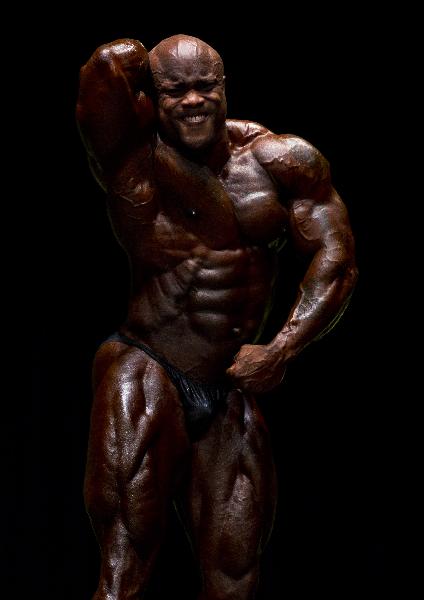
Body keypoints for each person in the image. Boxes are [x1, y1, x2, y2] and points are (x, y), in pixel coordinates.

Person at [76, 34, 358, 600]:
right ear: (151, 99)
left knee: (235, 575)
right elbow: (104, 72)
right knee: (124, 564)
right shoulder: (134, 159)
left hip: (228, 387)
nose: (193, 100)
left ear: (225, 88)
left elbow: (337, 260)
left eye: (205, 85)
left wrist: (281, 348)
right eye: (174, 90)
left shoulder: (281, 163)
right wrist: (137, 56)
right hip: (147, 362)